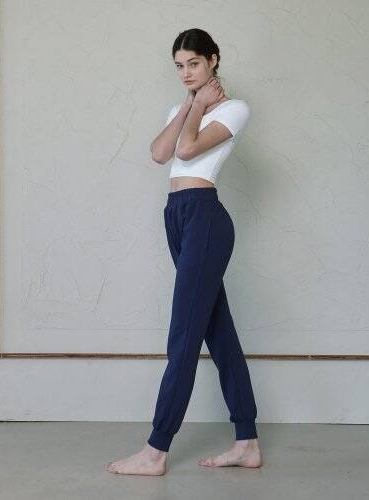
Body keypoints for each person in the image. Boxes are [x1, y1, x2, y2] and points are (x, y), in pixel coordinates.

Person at [106, 28, 262, 476]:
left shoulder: (235, 108)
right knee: (218, 332)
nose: (186, 73)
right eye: (179, 65)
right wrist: (190, 106)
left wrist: (196, 109)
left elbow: (190, 150)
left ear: (213, 60)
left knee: (184, 335)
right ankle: (247, 442)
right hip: (176, 215)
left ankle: (155, 451)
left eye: (194, 63)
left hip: (205, 217)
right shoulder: (182, 108)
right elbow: (160, 153)